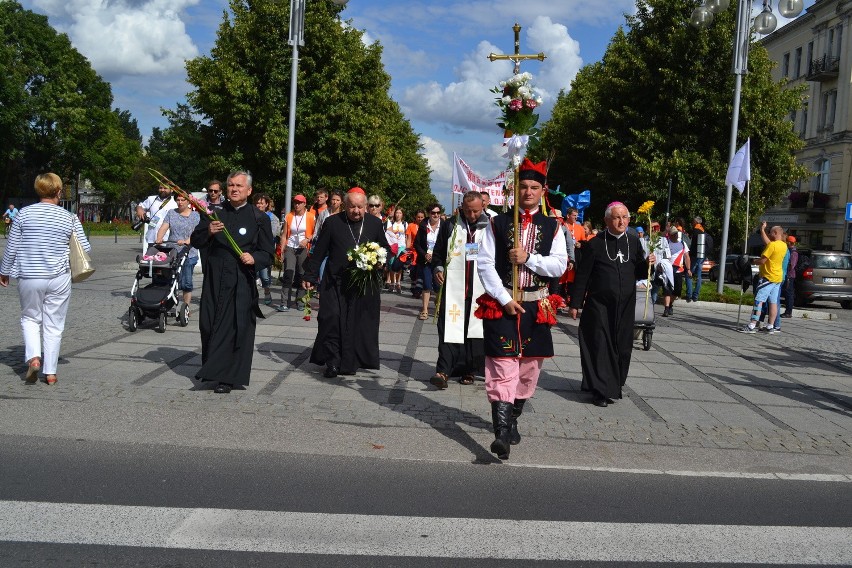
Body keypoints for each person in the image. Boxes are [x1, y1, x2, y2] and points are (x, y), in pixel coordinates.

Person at [476, 159, 568, 460]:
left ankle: (513, 416)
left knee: (528, 372)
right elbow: (485, 263)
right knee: (502, 367)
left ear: (542, 191)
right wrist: (503, 298)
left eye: (534, 187)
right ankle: (500, 433)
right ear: (515, 190)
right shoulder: (497, 223)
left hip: (535, 306)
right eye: (523, 187)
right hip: (504, 305)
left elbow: (559, 265)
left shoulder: (553, 226)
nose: (528, 192)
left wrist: (528, 257)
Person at [0, 173, 91, 386]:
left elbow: (11, 247)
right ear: (58, 191)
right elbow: (85, 248)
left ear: (38, 191)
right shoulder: (69, 217)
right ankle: (50, 373)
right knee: (54, 324)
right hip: (59, 277)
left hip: (30, 275)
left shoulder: (23, 215)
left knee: (30, 318)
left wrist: (4, 272)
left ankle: (33, 358)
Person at [189, 170, 274, 393]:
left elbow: (268, 253)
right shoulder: (214, 213)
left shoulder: (259, 218)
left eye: (239, 186)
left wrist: (254, 258)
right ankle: (212, 370)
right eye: (231, 185)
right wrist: (208, 231)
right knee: (208, 324)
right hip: (215, 279)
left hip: (240, 281)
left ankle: (227, 377)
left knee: (235, 327)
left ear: (249, 190)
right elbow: (195, 241)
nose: (234, 189)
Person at [568, 202, 654, 407]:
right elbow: (583, 276)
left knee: (622, 347)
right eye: (616, 217)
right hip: (599, 305)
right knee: (599, 346)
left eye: (625, 217)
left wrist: (648, 263)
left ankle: (614, 385)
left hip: (625, 306)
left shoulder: (633, 242)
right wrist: (575, 303)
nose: (621, 221)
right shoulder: (595, 244)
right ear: (607, 220)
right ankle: (600, 390)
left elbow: (639, 272)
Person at [301, 188, 391, 378]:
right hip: (335, 282)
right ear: (345, 205)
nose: (356, 211)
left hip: (362, 284)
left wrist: (382, 261)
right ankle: (333, 361)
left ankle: (352, 360)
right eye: (352, 207)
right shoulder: (333, 222)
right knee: (331, 319)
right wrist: (309, 276)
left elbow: (384, 248)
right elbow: (319, 252)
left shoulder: (375, 223)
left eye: (359, 207)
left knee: (356, 323)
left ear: (366, 207)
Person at [429, 192, 488, 389]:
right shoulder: (451, 225)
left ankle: (469, 370)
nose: (471, 215)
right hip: (454, 289)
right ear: (462, 207)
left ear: (483, 208)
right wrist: (438, 268)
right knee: (448, 330)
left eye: (476, 211)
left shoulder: (489, 226)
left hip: (479, 290)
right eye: (468, 211)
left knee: (474, 332)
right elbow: (438, 253)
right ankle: (443, 371)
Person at [156, 193, 201, 314]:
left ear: (188, 202)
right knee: (171, 279)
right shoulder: (171, 213)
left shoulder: (195, 215)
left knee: (186, 281)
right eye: (178, 200)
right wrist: (159, 238)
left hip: (188, 252)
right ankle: (169, 302)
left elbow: (197, 233)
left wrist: (188, 241)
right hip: (173, 251)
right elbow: (164, 227)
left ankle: (186, 306)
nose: (180, 202)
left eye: (183, 200)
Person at [739, 223, 787, 334]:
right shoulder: (783, 245)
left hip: (767, 277)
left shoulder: (772, 246)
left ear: (775, 233)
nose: (769, 234)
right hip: (777, 278)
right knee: (773, 302)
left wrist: (752, 261)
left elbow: (762, 261)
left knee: (758, 301)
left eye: (770, 232)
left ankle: (752, 325)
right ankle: (770, 326)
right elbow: (769, 243)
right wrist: (762, 230)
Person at [277, 194, 315, 312]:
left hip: (304, 248)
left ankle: (300, 301)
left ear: (304, 204)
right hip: (290, 247)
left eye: (299, 202)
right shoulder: (289, 216)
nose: (297, 205)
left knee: (302, 274)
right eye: (295, 202)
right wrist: (282, 250)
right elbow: (284, 235)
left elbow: (316, 233)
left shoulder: (310, 216)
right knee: (288, 274)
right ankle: (284, 303)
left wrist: (307, 239)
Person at [414, 203, 443, 320]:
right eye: (433, 213)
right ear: (429, 214)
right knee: (426, 283)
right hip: (426, 260)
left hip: (438, 260)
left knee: (438, 285)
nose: (435, 215)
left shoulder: (445, 225)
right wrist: (424, 254)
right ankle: (425, 310)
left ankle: (438, 305)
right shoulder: (423, 226)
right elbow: (417, 244)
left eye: (438, 213)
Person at [253, 194, 280, 305]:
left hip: (264, 250)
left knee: (264, 276)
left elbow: (273, 233)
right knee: (251, 275)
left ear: (266, 204)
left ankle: (267, 291)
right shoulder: (250, 215)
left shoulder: (272, 218)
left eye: (261, 203)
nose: (259, 205)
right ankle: (251, 295)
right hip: (252, 249)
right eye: (257, 203)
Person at [136, 183, 177, 251]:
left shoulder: (175, 202)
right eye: (160, 188)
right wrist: (140, 210)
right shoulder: (151, 199)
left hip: (167, 240)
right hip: (152, 238)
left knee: (166, 260)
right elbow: (140, 206)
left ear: (172, 190)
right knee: (151, 260)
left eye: (165, 188)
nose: (162, 190)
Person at [661, 225, 690, 317]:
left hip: (678, 270)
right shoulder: (666, 243)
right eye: (673, 234)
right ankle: (666, 309)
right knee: (667, 290)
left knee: (677, 291)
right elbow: (659, 240)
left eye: (676, 233)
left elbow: (686, 257)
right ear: (669, 235)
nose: (675, 235)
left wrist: (688, 269)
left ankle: (670, 305)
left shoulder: (682, 244)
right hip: (668, 270)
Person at [686, 216, 714, 302]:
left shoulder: (695, 231)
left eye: (693, 221)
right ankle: (696, 295)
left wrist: (690, 255)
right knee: (698, 276)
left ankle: (689, 295)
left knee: (689, 273)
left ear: (695, 222)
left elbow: (693, 245)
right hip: (702, 256)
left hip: (694, 256)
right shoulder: (703, 230)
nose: (692, 223)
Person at [385, 207, 407, 293]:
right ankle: (392, 284)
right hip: (393, 246)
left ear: (402, 215)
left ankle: (398, 283)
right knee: (391, 264)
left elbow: (406, 237)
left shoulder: (405, 224)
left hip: (401, 246)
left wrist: (406, 248)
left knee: (399, 265)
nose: (398, 214)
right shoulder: (390, 224)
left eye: (400, 213)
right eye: (397, 213)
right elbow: (387, 234)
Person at [405, 210, 425, 297]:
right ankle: (413, 286)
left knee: (420, 271)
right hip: (413, 252)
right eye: (418, 217)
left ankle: (418, 289)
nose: (420, 219)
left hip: (423, 252)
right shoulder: (411, 226)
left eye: (422, 217)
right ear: (415, 217)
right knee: (413, 271)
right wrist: (407, 250)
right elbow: (409, 239)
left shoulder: (426, 226)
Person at [781, 235, 799, 318]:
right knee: (787, 293)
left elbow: (792, 265)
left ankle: (788, 312)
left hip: (790, 276)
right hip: (788, 275)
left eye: (787, 241)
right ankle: (787, 311)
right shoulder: (790, 251)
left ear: (789, 242)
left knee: (789, 294)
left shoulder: (793, 252)